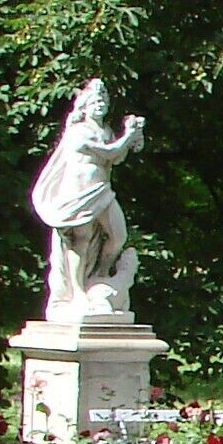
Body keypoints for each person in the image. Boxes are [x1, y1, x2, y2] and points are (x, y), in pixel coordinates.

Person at [32, 80, 145, 318]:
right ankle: (78, 293)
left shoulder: (106, 132)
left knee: (118, 236)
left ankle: (99, 277)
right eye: (95, 101)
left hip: (102, 191)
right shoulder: (78, 131)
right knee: (79, 241)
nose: (100, 105)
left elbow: (116, 159)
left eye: (103, 101)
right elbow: (108, 152)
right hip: (78, 194)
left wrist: (135, 136)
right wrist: (128, 136)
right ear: (84, 106)